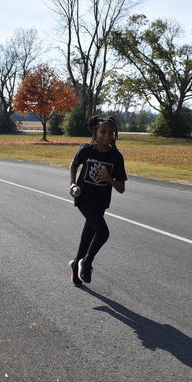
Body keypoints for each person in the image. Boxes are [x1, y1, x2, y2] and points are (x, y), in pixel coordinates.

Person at [69, 115, 127, 285]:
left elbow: (121, 188)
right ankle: (86, 264)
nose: (107, 135)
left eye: (110, 132)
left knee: (88, 235)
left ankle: (75, 265)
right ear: (96, 132)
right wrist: (72, 184)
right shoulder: (86, 150)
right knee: (103, 232)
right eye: (103, 131)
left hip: (101, 201)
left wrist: (108, 178)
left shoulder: (116, 157)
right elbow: (74, 163)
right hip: (84, 197)